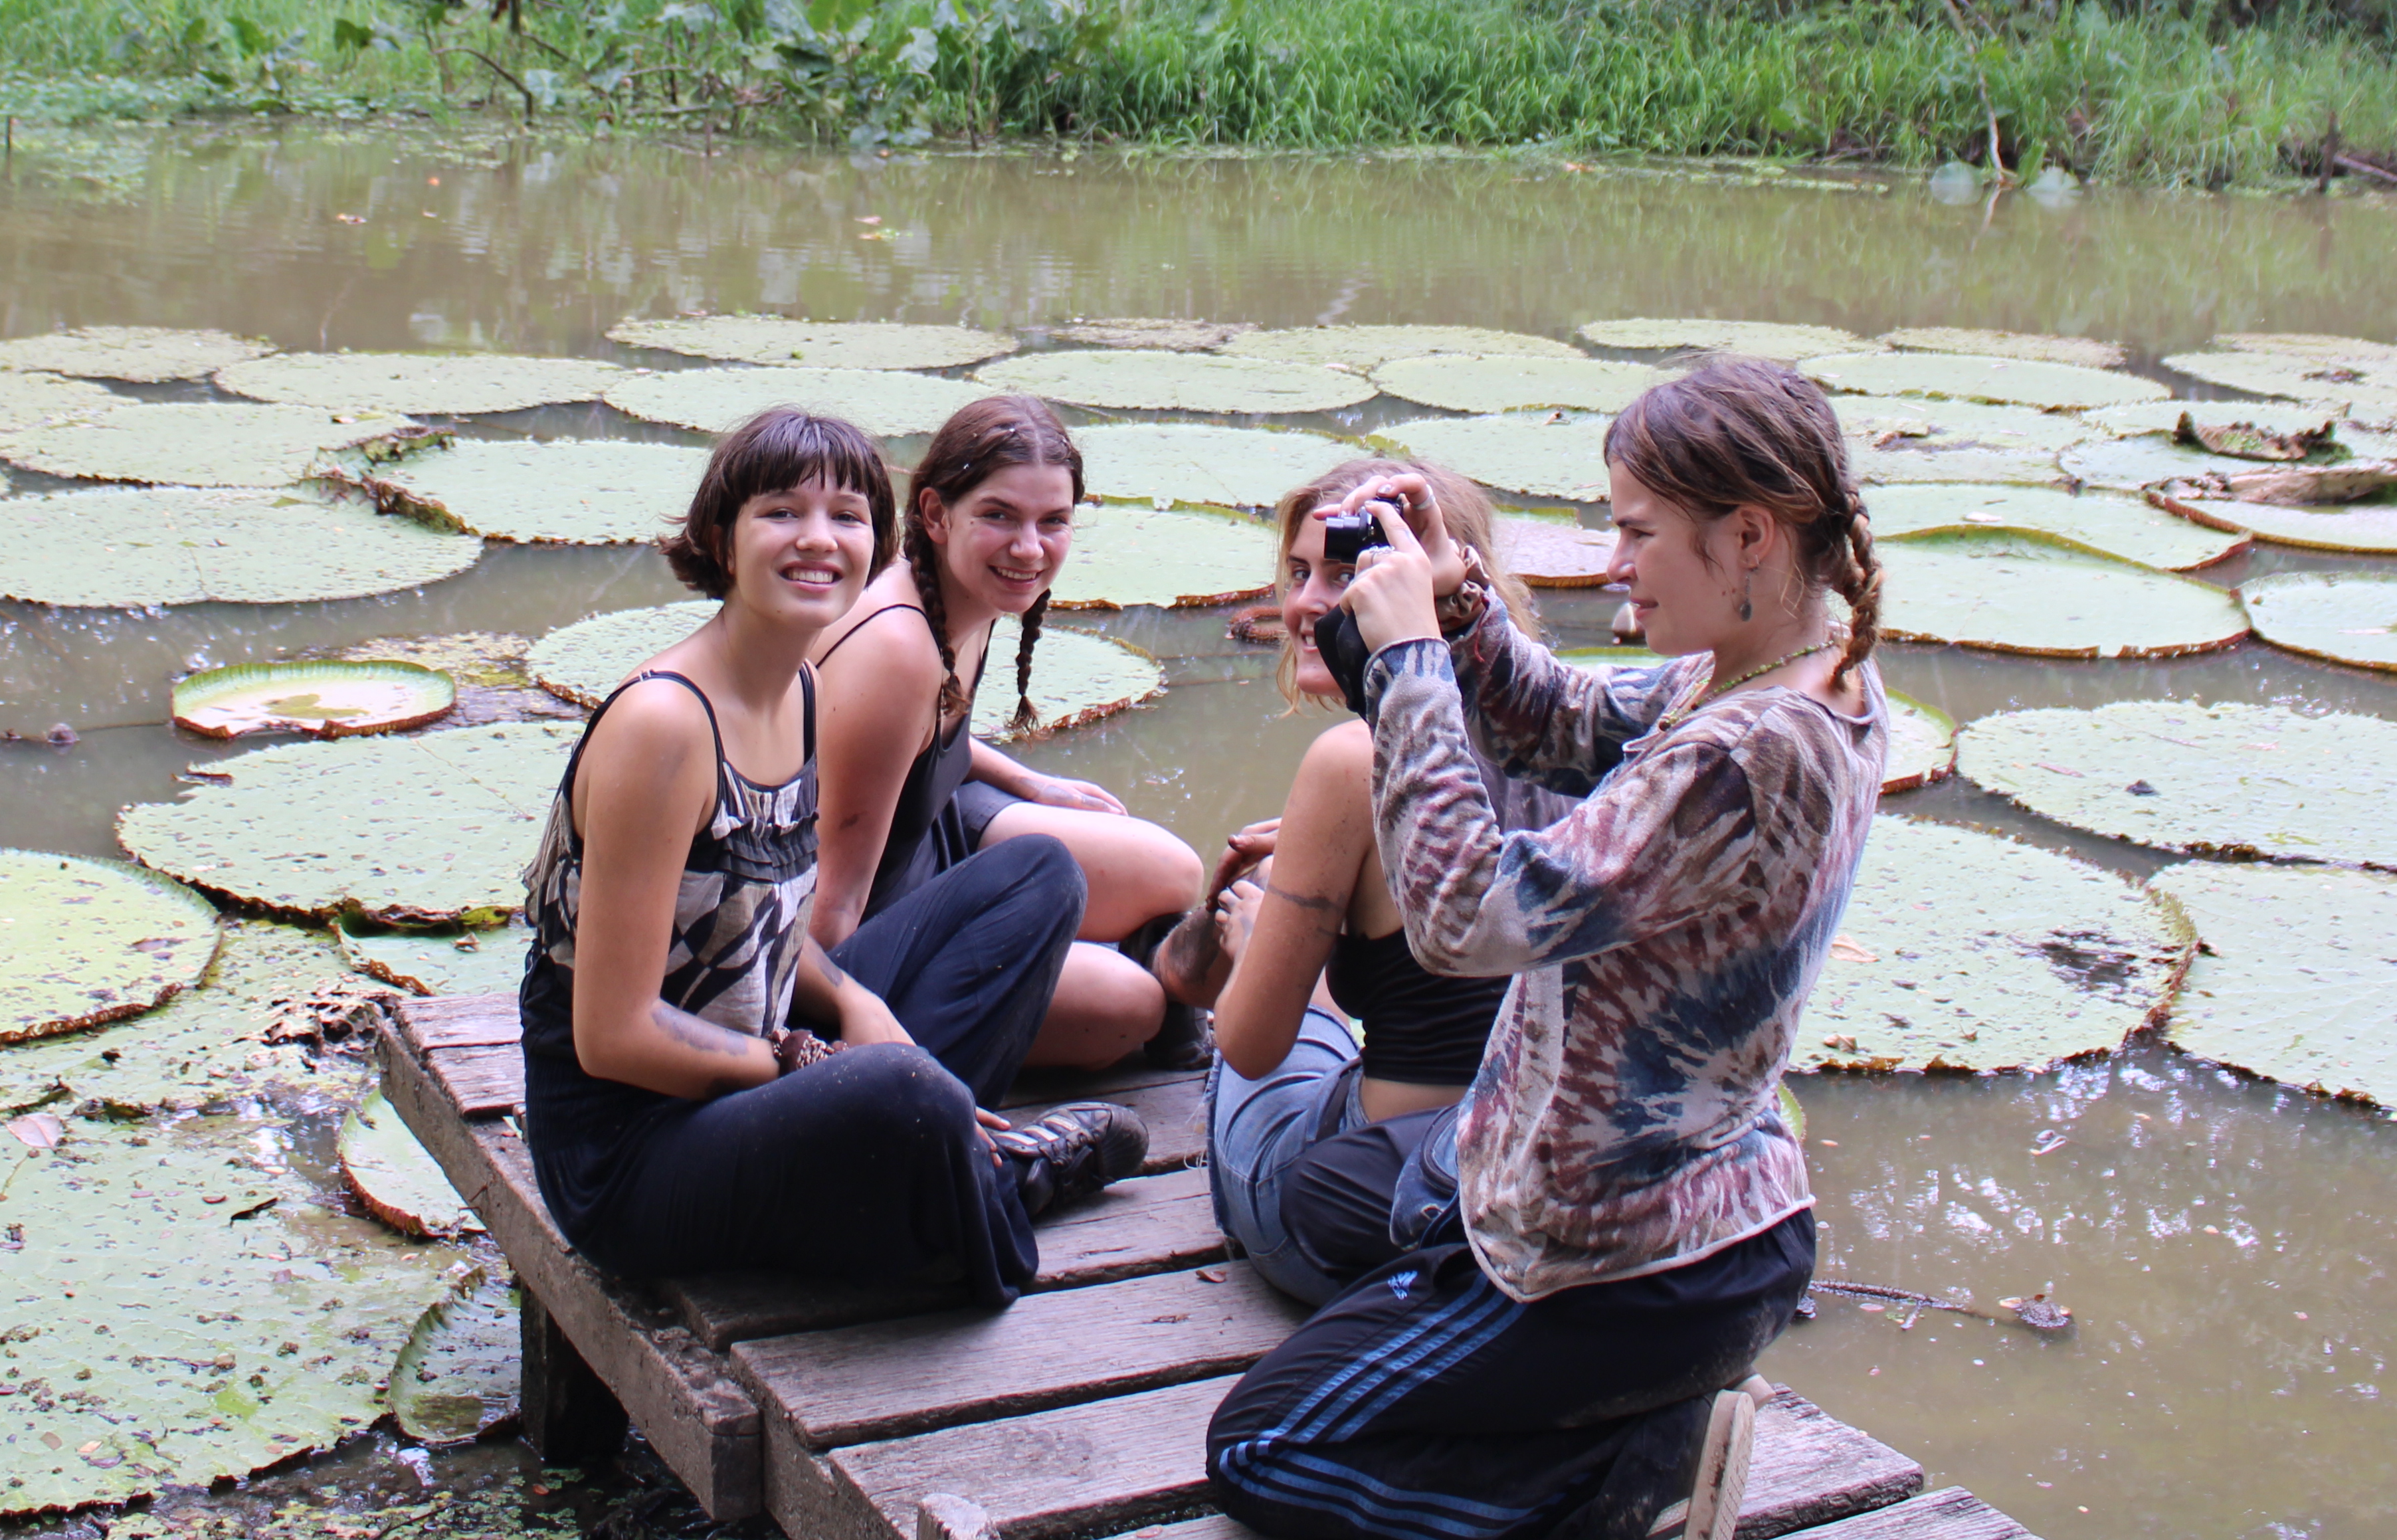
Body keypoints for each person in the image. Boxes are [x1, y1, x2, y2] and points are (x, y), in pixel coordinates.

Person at [1204, 361, 1892, 1540]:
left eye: (1637, 534)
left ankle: (1616, 1504)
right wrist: (1462, 599)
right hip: (1706, 1227)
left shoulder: (1744, 749)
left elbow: (1474, 921)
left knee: (1261, 1448)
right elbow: (1565, 723)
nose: (1614, 565)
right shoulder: (1788, 678)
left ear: (1751, 536)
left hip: (1614, 1265)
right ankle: (1648, 1436)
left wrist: (1413, 659)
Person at [519, 408, 1147, 1309]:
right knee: (895, 1085)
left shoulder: (800, 689)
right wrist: (814, 1063)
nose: (819, 539)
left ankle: (933, 1160)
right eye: (781, 512)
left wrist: (854, 1001)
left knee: (1040, 875)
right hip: (635, 1148)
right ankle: (1001, 1184)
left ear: (879, 543)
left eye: (848, 517)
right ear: (718, 538)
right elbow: (612, 1036)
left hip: (757, 1052)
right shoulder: (664, 726)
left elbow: (763, 930)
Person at [1197, 457, 1525, 1305]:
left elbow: (1250, 1041)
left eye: (1346, 571)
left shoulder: (1353, 760)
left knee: (1250, 1043)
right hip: (1523, 1180)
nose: (1307, 603)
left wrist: (1262, 931)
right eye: (1300, 572)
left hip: (1373, 1212)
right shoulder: (1553, 725)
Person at [809, 393, 1210, 1070]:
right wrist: (836, 1031)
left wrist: (1028, 780)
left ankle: (1162, 979)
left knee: (1172, 870)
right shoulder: (895, 648)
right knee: (1129, 1006)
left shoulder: (968, 588)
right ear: (936, 514)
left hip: (935, 834)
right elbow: (830, 907)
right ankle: (1157, 993)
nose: (1029, 548)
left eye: (1053, 521)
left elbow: (923, 741)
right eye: (999, 516)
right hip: (876, 920)